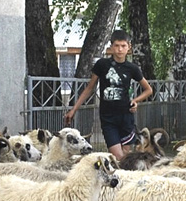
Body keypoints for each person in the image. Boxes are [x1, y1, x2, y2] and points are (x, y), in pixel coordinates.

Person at [64, 30, 153, 161]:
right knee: (118, 156)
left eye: (123, 46)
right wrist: (73, 109)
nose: (120, 49)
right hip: (108, 118)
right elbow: (89, 88)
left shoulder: (132, 68)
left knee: (125, 157)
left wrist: (135, 100)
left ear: (129, 47)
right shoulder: (102, 65)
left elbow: (148, 90)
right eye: (116, 46)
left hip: (126, 117)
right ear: (111, 47)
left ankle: (125, 179)